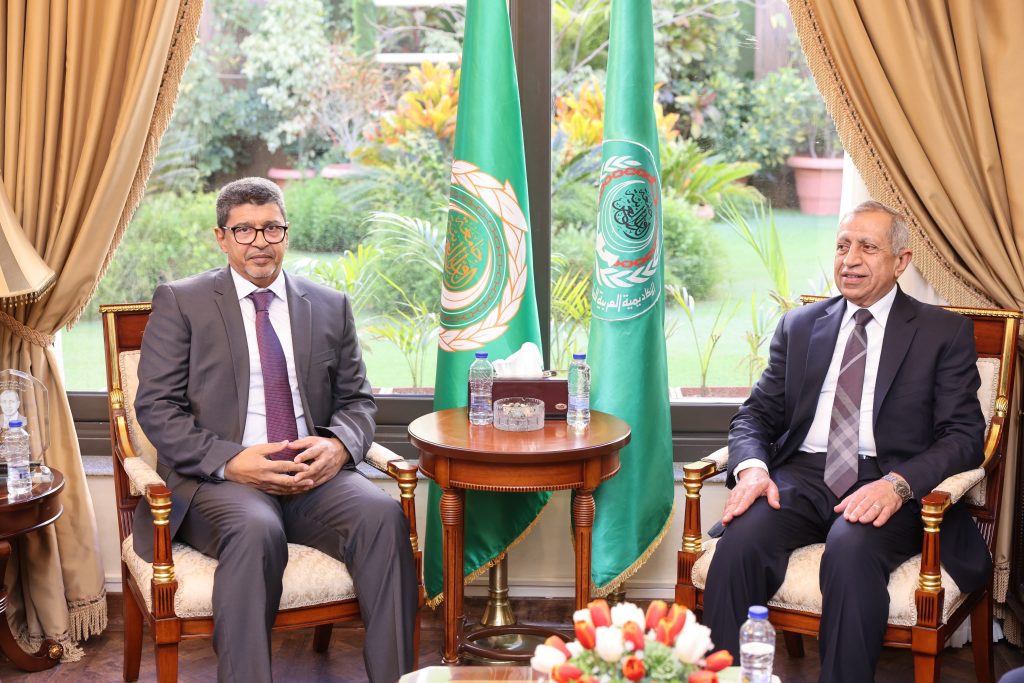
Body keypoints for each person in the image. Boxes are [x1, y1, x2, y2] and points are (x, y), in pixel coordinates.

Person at [132, 177, 417, 683]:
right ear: (221, 238)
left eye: (271, 228)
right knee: (256, 529)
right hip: (220, 483)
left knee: (382, 516)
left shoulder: (329, 305)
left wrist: (339, 446)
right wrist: (230, 460)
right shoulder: (182, 302)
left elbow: (357, 401)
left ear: (286, 233)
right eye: (244, 230)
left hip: (314, 478)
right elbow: (156, 407)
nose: (259, 241)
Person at [703, 201, 988, 683]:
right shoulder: (800, 325)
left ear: (901, 261)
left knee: (850, 550)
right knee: (740, 542)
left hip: (889, 482)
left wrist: (898, 484)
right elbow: (755, 415)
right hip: (802, 477)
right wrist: (751, 470)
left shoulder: (942, 332)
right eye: (842, 246)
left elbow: (964, 437)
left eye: (867, 247)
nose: (850, 259)